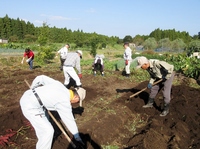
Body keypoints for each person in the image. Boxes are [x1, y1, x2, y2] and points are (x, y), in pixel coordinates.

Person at [20, 75, 86, 149]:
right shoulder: (64, 102)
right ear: (75, 97)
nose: (76, 103)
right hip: (30, 106)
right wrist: (77, 136)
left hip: (28, 95)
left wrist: (32, 88)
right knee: (47, 131)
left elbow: (41, 78)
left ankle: (45, 139)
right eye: (77, 101)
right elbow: (69, 120)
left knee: (46, 119)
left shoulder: (60, 86)